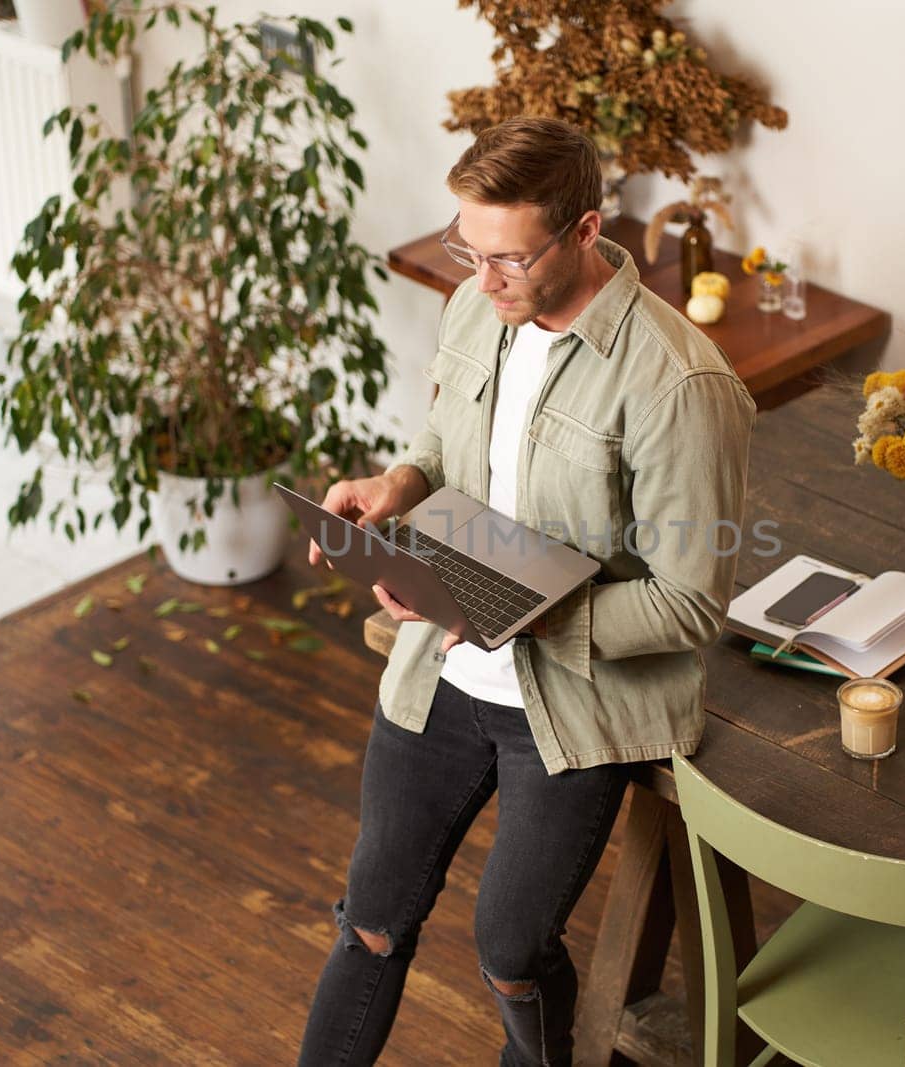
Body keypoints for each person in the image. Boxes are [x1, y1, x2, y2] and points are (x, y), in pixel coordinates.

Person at [297, 116, 756, 1066]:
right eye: (469, 248)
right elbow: (442, 445)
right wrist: (398, 488)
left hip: (574, 706)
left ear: (586, 232)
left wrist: (515, 613)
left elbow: (691, 603)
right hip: (444, 673)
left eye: (508, 257)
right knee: (370, 921)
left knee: (509, 952)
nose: (484, 276)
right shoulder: (479, 304)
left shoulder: (678, 384)